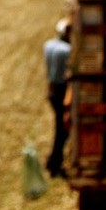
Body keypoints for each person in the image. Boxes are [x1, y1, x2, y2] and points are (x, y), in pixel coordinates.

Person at [43, 17, 72, 177]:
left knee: (59, 126)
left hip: (51, 89)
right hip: (62, 90)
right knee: (62, 129)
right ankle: (54, 161)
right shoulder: (67, 50)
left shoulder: (48, 45)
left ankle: (53, 160)